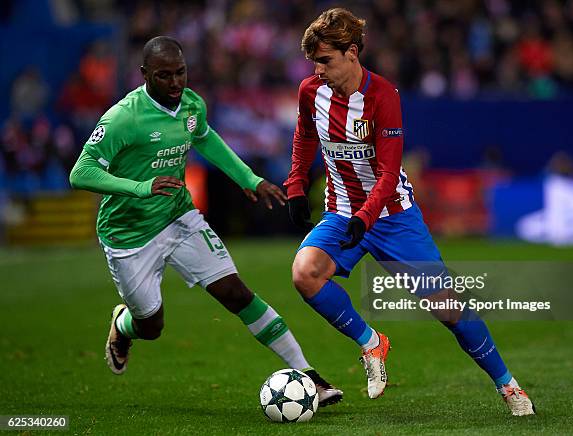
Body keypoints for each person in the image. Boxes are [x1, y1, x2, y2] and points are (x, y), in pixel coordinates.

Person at [285, 8, 535, 415]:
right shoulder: (311, 91)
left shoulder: (383, 96)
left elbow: (387, 173)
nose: (318, 69)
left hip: (391, 216)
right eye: (314, 61)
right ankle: (372, 343)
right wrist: (296, 185)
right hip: (341, 211)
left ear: (352, 53)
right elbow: (304, 135)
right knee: (304, 274)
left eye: (326, 60)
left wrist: (364, 218)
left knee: (448, 308)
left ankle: (508, 386)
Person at [69, 36, 342, 406]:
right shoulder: (123, 118)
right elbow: (81, 173)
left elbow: (206, 138)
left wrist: (248, 178)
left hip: (179, 216)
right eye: (164, 75)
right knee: (151, 326)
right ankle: (123, 326)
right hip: (128, 233)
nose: (175, 82)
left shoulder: (192, 103)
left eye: (180, 72)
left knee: (235, 292)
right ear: (145, 75)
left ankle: (311, 377)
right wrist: (140, 187)